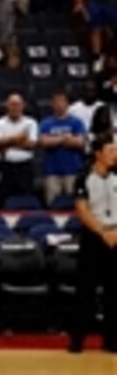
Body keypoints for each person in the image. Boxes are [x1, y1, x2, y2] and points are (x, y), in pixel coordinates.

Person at [69, 137, 117, 354]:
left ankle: (112, 340)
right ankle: (78, 339)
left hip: (115, 234)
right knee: (85, 290)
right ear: (98, 153)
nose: (115, 153)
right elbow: (82, 209)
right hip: (93, 237)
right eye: (111, 149)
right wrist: (102, 232)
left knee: (114, 291)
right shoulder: (84, 177)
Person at [38, 90, 87, 206]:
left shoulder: (76, 122)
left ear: (67, 104)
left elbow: (80, 142)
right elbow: (44, 142)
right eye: (56, 102)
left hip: (73, 170)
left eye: (62, 101)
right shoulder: (46, 123)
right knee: (52, 205)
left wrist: (55, 140)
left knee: (76, 204)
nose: (59, 104)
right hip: (52, 172)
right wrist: (65, 138)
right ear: (52, 104)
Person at [0, 93, 38, 205]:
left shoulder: (30, 123)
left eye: (17, 104)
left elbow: (31, 144)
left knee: (27, 199)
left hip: (25, 167)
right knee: (3, 199)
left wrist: (7, 142)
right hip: (6, 167)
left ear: (23, 106)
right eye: (12, 104)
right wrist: (18, 139)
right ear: (7, 106)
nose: (15, 108)